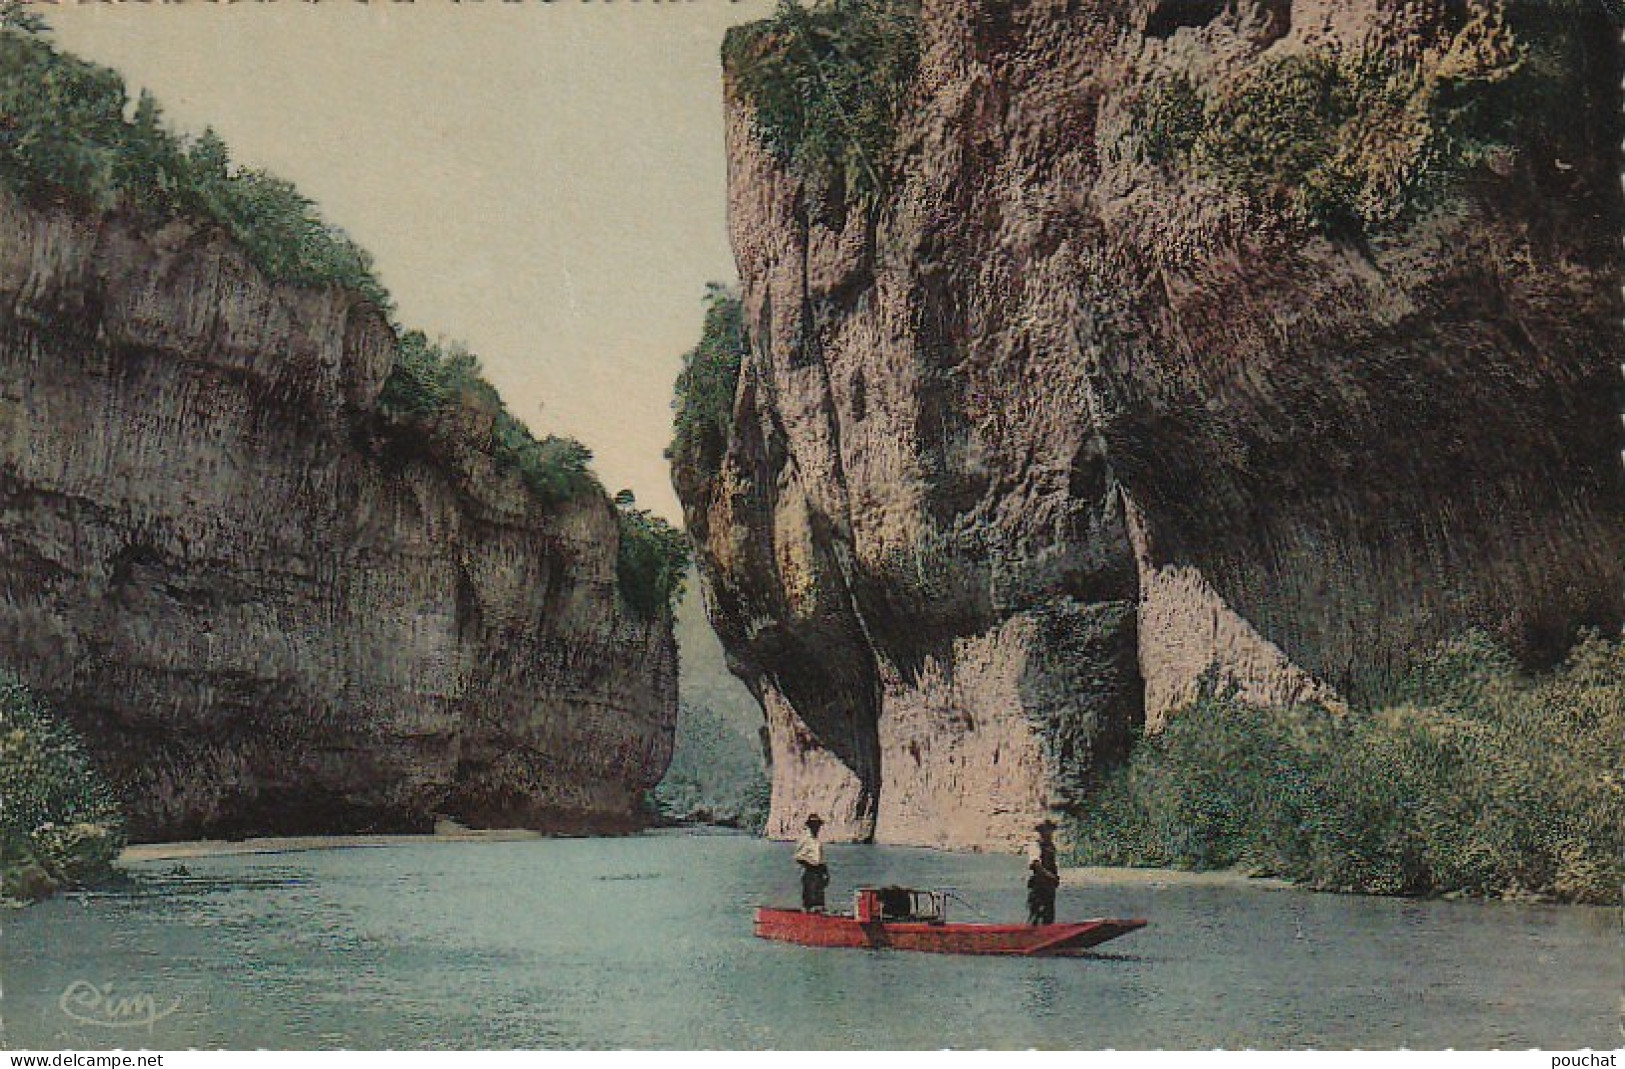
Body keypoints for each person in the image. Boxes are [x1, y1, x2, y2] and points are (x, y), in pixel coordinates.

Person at [1026, 819, 1060, 925]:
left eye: (1051, 830)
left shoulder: (1051, 847)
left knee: (1049, 913)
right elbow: (1036, 865)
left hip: (1049, 886)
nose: (1050, 833)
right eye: (1047, 830)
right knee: (1037, 912)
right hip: (1039, 885)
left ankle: (1048, 932)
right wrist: (1050, 876)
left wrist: (1054, 879)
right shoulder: (1035, 846)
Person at [794, 813, 830, 912]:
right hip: (809, 871)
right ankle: (806, 919)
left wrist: (825, 872)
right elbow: (798, 856)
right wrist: (811, 864)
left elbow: (821, 858)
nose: (816, 827)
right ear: (809, 826)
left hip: (818, 871)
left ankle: (818, 921)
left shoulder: (817, 840)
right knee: (809, 897)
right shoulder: (805, 839)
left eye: (818, 825)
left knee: (819, 898)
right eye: (814, 825)